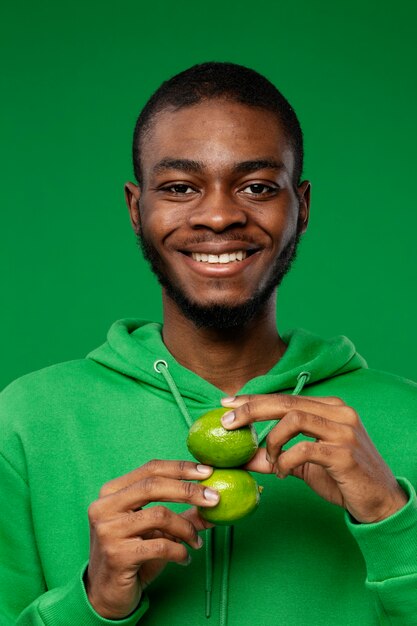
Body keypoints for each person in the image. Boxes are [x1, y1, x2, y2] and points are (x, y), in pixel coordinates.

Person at [1, 62, 416, 626]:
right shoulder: (25, 421)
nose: (220, 215)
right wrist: (92, 602)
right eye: (178, 188)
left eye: (257, 187)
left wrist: (393, 520)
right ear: (135, 208)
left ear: (303, 206)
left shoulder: (407, 418)